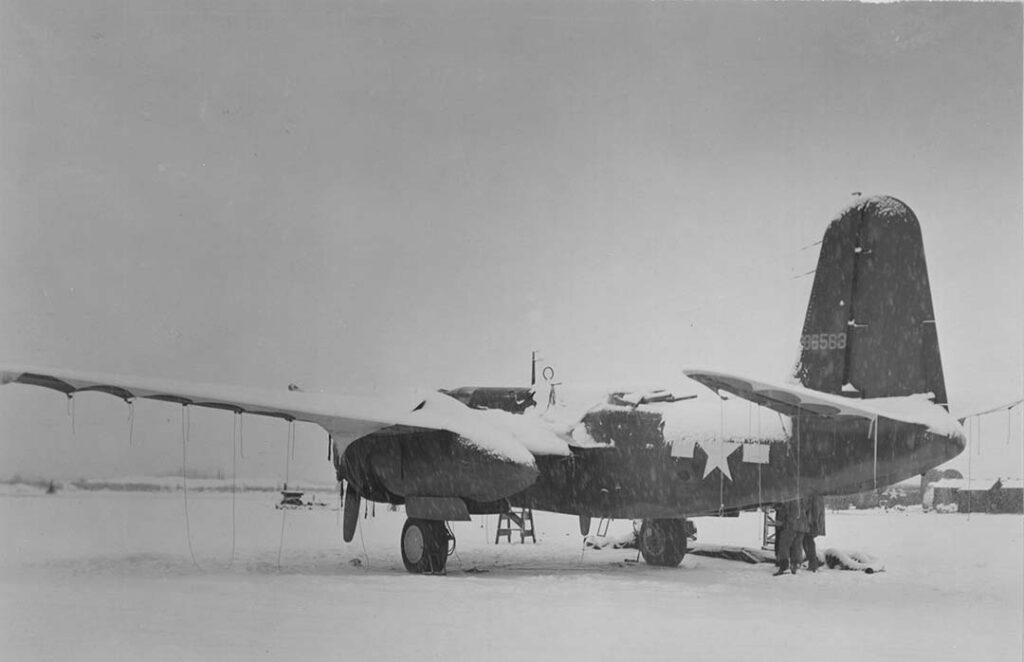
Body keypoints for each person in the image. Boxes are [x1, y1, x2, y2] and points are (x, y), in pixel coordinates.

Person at [773, 500, 809, 576]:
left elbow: (784, 509)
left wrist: (779, 522)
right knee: (797, 546)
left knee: (784, 545)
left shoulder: (790, 495)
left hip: (790, 524)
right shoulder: (803, 495)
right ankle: (796, 565)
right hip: (802, 525)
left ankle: (784, 566)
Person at [802, 496, 825, 572]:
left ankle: (813, 564)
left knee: (808, 542)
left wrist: (812, 522)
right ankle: (813, 564)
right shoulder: (816, 496)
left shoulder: (814, 497)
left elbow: (813, 511)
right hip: (811, 523)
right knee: (807, 542)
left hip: (810, 524)